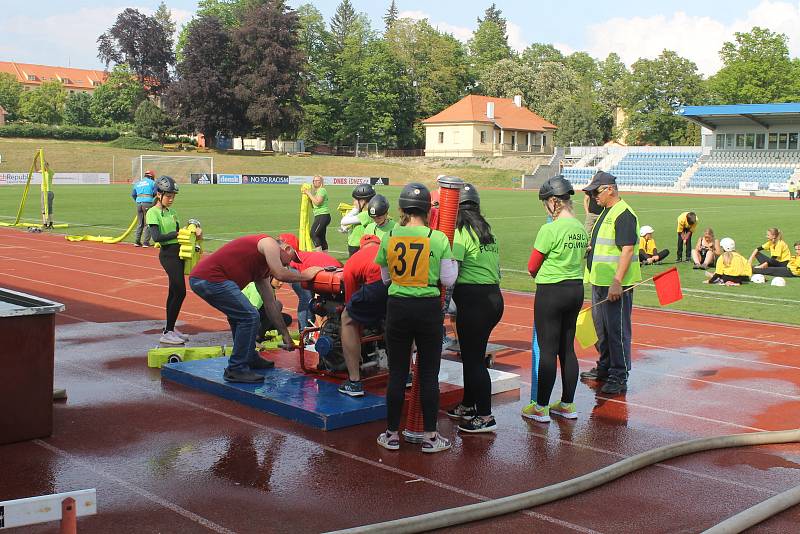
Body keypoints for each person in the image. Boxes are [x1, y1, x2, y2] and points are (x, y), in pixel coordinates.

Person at [375, 182, 458, 453]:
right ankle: (431, 437)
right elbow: (448, 278)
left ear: (401, 208)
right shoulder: (438, 239)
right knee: (429, 375)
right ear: (426, 210)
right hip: (428, 309)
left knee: (397, 373)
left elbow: (385, 277)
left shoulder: (390, 236)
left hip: (398, 306)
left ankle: (391, 434)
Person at [189, 235, 324, 383]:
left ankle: (248, 357)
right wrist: (306, 275)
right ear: (286, 248)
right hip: (209, 278)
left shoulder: (262, 269)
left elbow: (270, 304)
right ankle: (236, 368)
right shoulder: (269, 243)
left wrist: (286, 335)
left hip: (209, 279)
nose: (289, 264)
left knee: (242, 316)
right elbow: (280, 273)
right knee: (249, 316)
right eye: (290, 259)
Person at [522, 176, 587, 422]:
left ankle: (541, 407)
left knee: (547, 350)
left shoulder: (550, 228)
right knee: (567, 348)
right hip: (575, 289)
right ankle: (568, 404)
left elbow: (532, 265)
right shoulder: (580, 228)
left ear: (552, 202)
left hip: (551, 290)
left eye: (545, 204)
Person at [445, 183, 504, 433]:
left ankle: (485, 415)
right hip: (492, 297)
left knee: (473, 360)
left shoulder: (461, 232)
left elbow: (452, 270)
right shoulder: (487, 233)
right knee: (471, 356)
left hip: (474, 300)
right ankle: (469, 405)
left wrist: (443, 303)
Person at [579, 171, 641, 395]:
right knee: (601, 330)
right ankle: (605, 366)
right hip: (599, 281)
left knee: (617, 330)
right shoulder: (607, 212)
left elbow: (628, 249)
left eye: (596, 191)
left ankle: (619, 374)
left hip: (614, 284)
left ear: (609, 189)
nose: (594, 196)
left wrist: (617, 282)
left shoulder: (623, 213)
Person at [146, 176, 200, 345]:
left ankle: (169, 328)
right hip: (168, 255)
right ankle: (168, 331)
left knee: (174, 292)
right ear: (159, 194)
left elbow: (179, 233)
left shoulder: (172, 212)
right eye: (168, 196)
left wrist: (192, 233)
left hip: (179, 253)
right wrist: (176, 234)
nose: (171, 199)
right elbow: (157, 238)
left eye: (173, 196)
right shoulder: (152, 212)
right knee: (180, 291)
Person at [338, 234, 389, 397]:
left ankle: (354, 382)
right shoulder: (387, 248)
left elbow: (350, 301)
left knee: (347, 319)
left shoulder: (354, 259)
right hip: (400, 282)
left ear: (361, 247)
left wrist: (358, 337)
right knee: (394, 320)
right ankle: (406, 374)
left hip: (378, 282)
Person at [340, 184, 376, 256]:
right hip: (355, 245)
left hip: (357, 247)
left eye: (355, 201)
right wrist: (347, 228)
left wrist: (355, 209)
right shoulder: (363, 213)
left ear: (362, 201)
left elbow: (343, 221)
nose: (353, 203)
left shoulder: (366, 214)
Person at [304, 175, 331, 251]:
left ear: (321, 182)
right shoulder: (317, 192)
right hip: (320, 216)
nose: (315, 182)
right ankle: (325, 258)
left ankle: (319, 256)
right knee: (321, 237)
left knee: (313, 234)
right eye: (314, 181)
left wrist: (309, 193)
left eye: (317, 180)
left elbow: (318, 203)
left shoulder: (322, 190)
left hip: (322, 216)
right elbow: (314, 206)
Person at [132, 170, 156, 247]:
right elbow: (155, 192)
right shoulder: (152, 182)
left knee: (140, 223)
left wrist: (138, 200)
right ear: (151, 177)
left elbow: (133, 194)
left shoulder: (137, 183)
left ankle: (137, 241)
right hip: (148, 203)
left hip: (139, 203)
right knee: (147, 223)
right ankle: (146, 242)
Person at [40, 161, 55, 229]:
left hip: (48, 192)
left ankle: (48, 224)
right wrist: (35, 162)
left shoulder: (50, 172)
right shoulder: (43, 172)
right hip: (44, 192)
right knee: (44, 209)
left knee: (48, 209)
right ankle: (46, 224)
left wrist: (42, 157)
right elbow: (36, 170)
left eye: (44, 166)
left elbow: (46, 166)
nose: (43, 167)